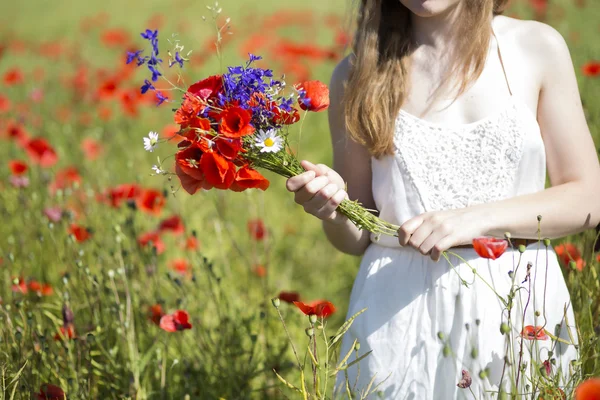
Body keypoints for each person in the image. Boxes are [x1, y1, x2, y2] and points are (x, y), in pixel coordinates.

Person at [285, 0, 600, 398]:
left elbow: (588, 197)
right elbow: (356, 235)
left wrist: (477, 219)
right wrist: (331, 209)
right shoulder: (357, 73)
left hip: (519, 309)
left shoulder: (536, 47)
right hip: (399, 317)